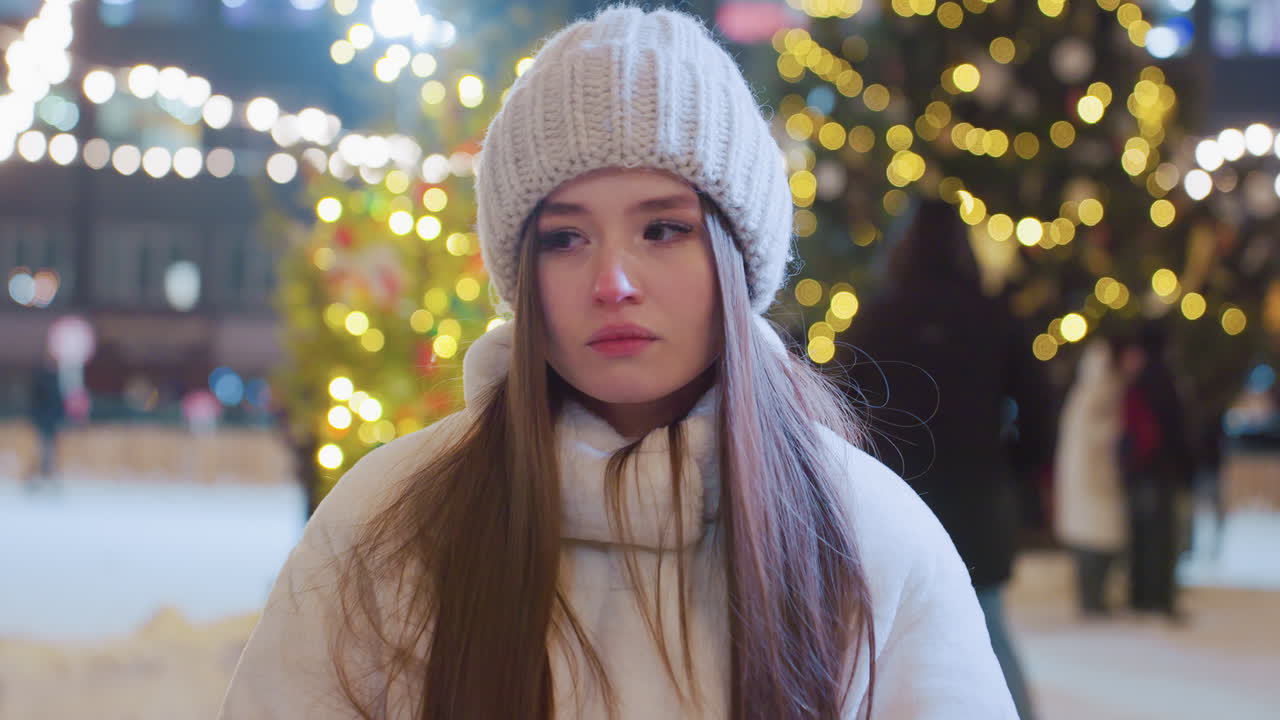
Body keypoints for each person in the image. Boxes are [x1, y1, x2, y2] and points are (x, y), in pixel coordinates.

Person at [220, 7, 1016, 719]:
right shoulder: (389, 525)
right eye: (565, 238)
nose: (613, 284)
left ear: (735, 257)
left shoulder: (866, 534)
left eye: (663, 229)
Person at [842, 198, 1054, 720]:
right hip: (977, 490)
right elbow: (1039, 405)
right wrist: (1017, 467)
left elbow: (843, 404)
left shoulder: (878, 316)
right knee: (985, 619)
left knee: (889, 629)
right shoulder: (993, 316)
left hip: (898, 491)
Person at [1116, 324, 1194, 621]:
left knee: (1144, 536)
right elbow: (1176, 429)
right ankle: (1157, 599)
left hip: (1142, 469)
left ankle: (1142, 597)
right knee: (1160, 539)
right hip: (1159, 470)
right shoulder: (1165, 379)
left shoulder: (1139, 379)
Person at [1054, 340, 1127, 617]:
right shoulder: (1096, 395)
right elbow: (1093, 436)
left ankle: (1095, 597)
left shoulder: (1087, 393)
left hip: (1093, 482)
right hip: (1092, 482)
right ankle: (1091, 599)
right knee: (1093, 546)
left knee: (1098, 544)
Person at [26, 350, 65, 491]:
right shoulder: (41, 377)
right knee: (43, 449)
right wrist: (36, 418)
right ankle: (38, 477)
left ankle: (47, 476)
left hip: (53, 421)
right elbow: (36, 401)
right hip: (43, 421)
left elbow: (59, 402)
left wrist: (60, 418)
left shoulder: (56, 377)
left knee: (51, 450)